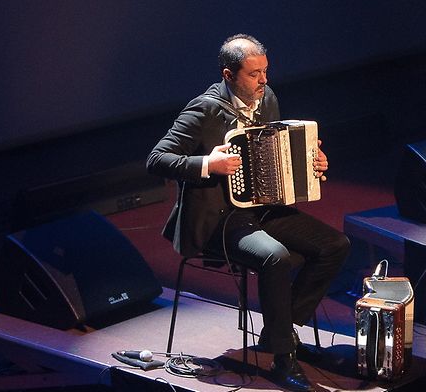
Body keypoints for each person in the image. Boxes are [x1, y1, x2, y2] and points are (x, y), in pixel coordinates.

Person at [147, 34, 350, 392]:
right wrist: (209, 164)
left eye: (266, 72)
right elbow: (157, 160)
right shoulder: (203, 110)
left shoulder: (267, 99)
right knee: (276, 257)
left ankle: (280, 331)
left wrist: (312, 162)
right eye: (255, 74)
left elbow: (276, 150)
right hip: (219, 220)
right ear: (229, 74)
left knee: (334, 244)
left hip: (263, 209)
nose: (264, 81)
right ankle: (283, 361)